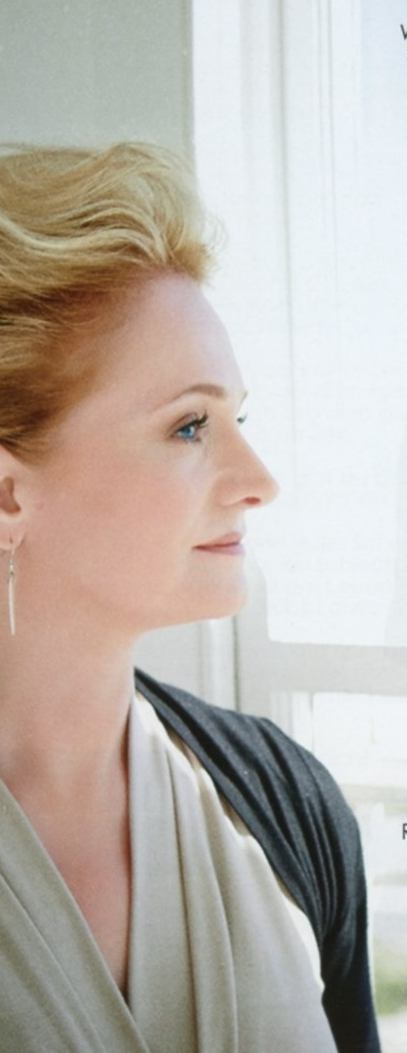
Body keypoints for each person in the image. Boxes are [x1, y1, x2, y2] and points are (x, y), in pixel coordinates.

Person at [0, 141, 380, 1053]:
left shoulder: (286, 802)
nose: (259, 480)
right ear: (9, 493)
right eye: (188, 426)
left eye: (235, 418)